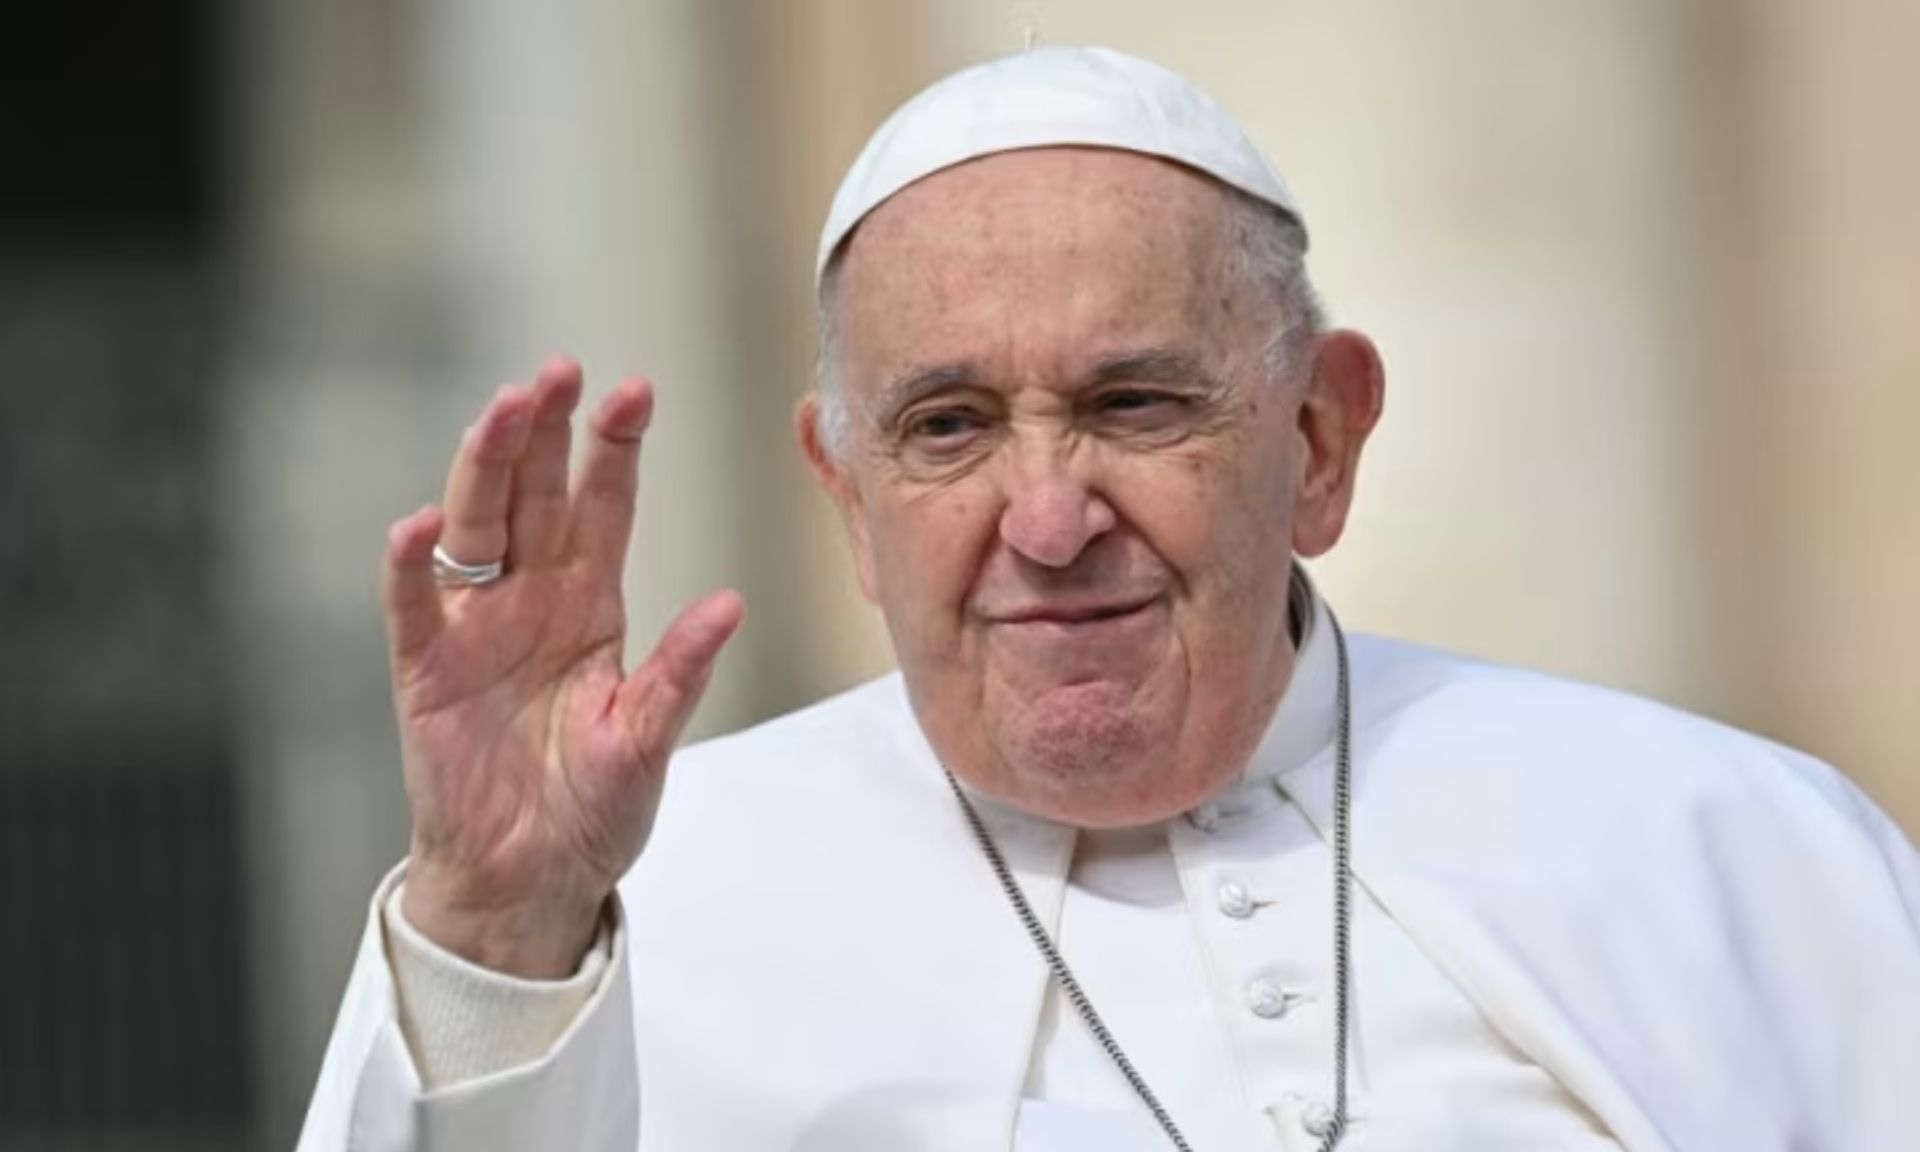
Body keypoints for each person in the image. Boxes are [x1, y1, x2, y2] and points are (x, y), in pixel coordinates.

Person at [295, 46, 1920, 1152]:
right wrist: (502, 926)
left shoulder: (1733, 844)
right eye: (948, 428)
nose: (1051, 519)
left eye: (1137, 405)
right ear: (848, 499)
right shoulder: (631, 907)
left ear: (1318, 437)